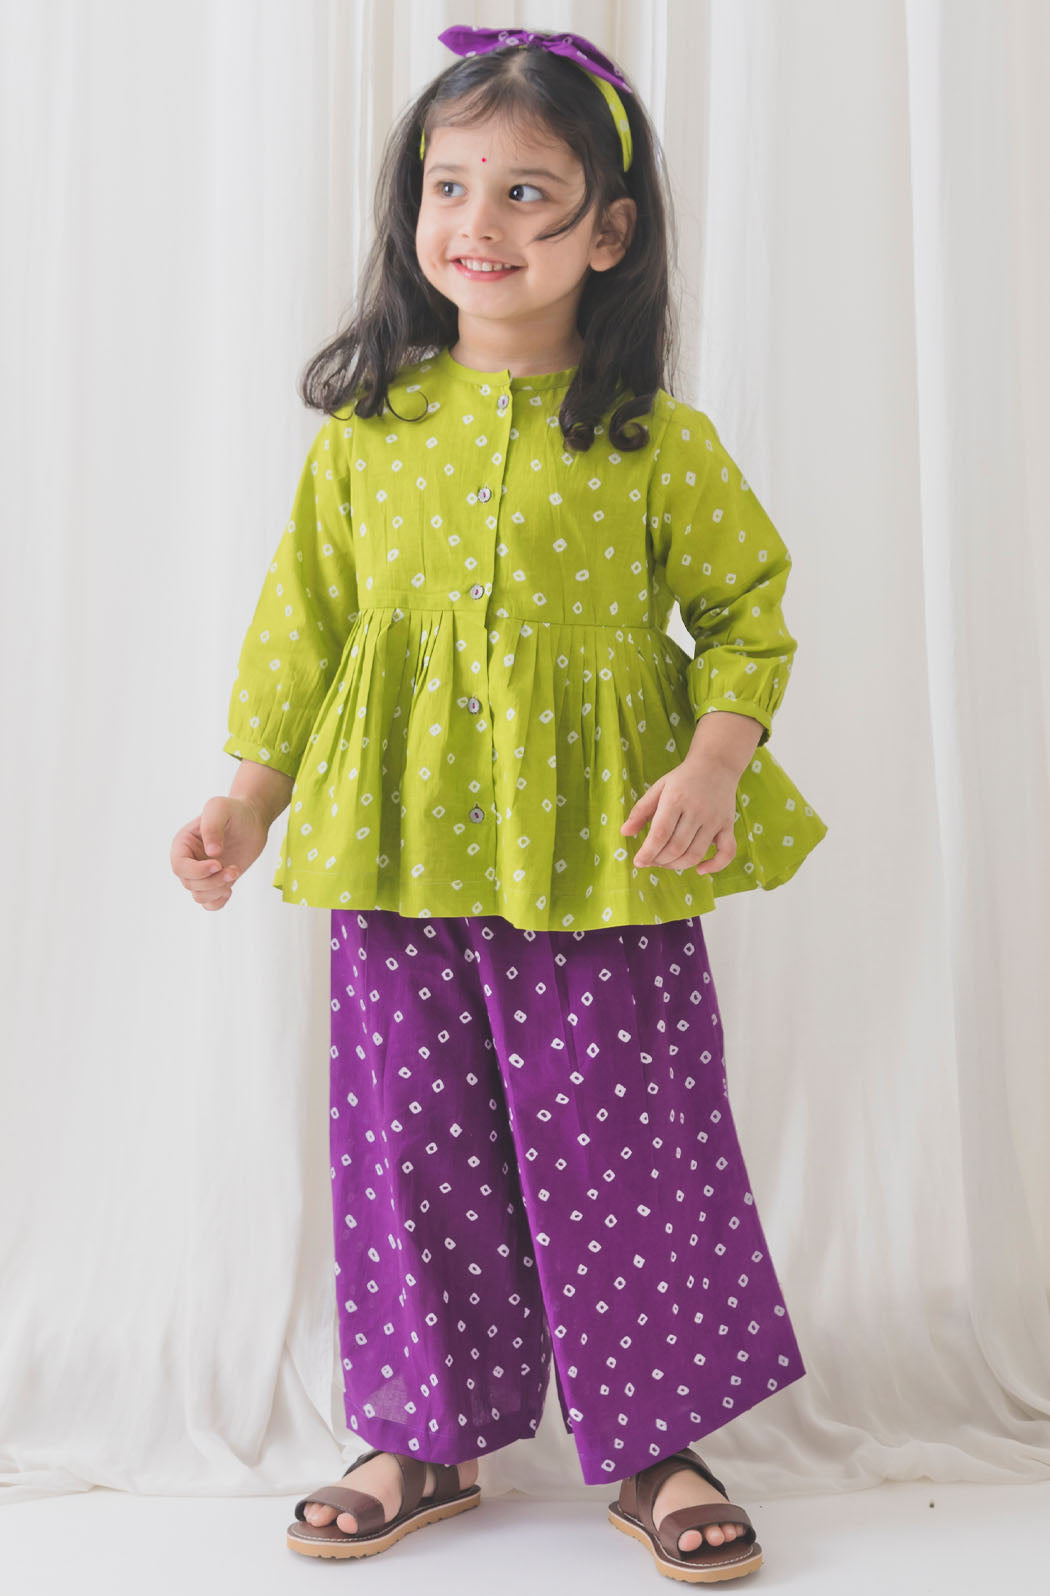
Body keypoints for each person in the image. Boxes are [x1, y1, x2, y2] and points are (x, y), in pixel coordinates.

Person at [170, 23, 828, 1584]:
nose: (478, 222)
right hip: (396, 844)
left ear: (608, 232)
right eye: (449, 184)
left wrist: (711, 762)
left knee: (625, 1144)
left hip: (601, 854)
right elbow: (303, 631)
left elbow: (747, 615)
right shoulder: (367, 436)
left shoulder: (655, 443)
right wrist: (249, 800)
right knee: (411, 1148)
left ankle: (657, 1443)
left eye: (527, 192)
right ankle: (423, 1436)